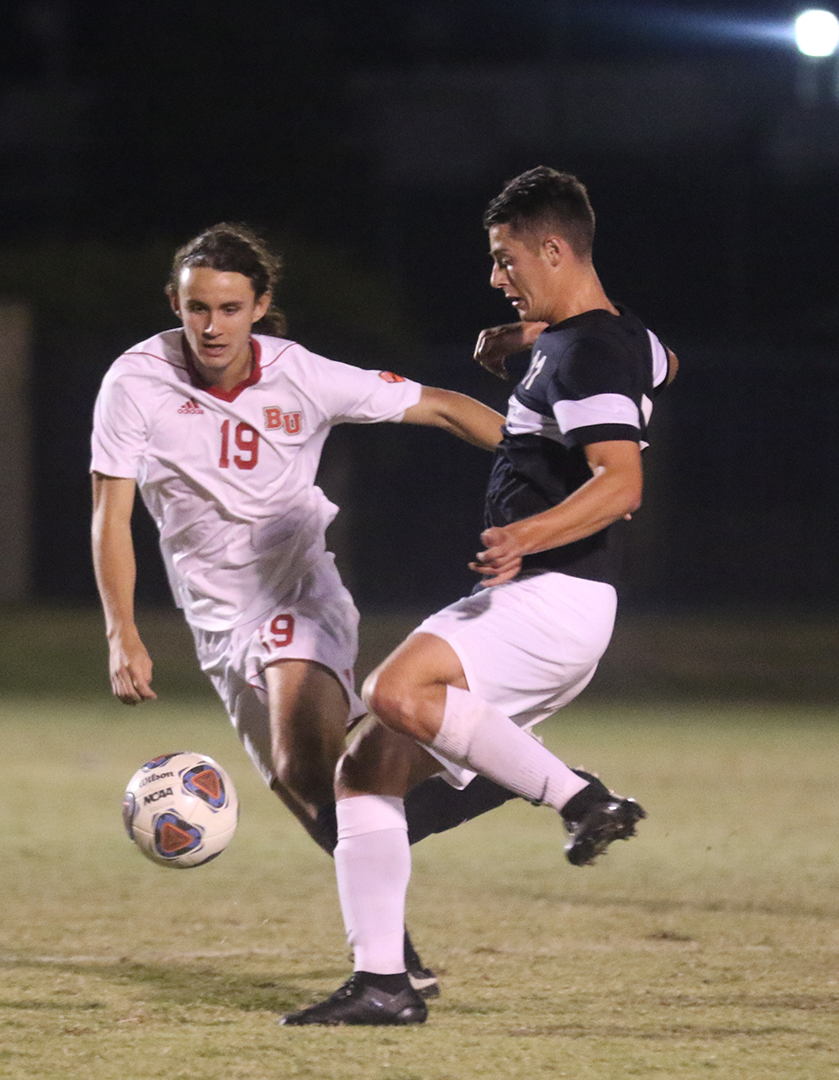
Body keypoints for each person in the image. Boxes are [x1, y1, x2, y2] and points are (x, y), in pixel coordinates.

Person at [282, 167, 677, 1026]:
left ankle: (578, 797)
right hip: (551, 601)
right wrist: (529, 352)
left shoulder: (589, 351)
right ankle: (383, 981)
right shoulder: (614, 343)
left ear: (553, 248)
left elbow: (623, 484)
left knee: (395, 690)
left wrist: (526, 533)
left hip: (555, 594)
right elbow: (667, 361)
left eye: (507, 260)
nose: (498, 278)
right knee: (365, 769)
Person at [89, 223, 515, 994]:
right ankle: (471, 788)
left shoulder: (303, 375)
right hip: (216, 626)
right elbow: (109, 516)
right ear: (176, 306)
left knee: (301, 764)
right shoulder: (133, 381)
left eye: (228, 307)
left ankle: (403, 938)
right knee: (318, 793)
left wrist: (550, 465)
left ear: (260, 306)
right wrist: (123, 631)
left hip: (297, 595)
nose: (211, 326)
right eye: (196, 308)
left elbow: (445, 407)